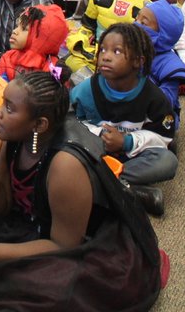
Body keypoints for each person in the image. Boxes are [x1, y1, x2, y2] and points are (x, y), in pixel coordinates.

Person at [0, 71, 163, 311]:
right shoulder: (16, 137)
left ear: (39, 125)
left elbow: (63, 244)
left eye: (9, 108)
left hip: (70, 241)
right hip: (28, 222)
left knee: (51, 290)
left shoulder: (65, 165)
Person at [71, 23, 176, 215]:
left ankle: (100, 184)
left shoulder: (154, 97)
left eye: (116, 51)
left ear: (138, 61)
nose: (106, 56)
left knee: (167, 161)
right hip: (95, 152)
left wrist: (126, 142)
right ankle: (131, 193)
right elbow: (70, 123)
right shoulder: (86, 90)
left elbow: (164, 137)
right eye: (103, 49)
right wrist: (98, 136)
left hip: (130, 157)